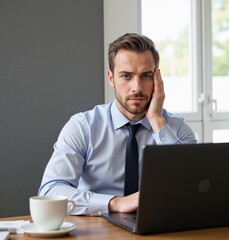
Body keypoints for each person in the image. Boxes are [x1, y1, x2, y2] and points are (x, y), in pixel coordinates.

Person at [39, 33, 197, 216]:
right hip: (97, 229)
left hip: (158, 228)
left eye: (146, 76)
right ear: (111, 78)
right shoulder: (83, 127)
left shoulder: (177, 129)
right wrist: (114, 203)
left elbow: (192, 188)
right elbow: (51, 190)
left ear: (157, 79)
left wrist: (156, 119)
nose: (137, 87)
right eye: (126, 76)